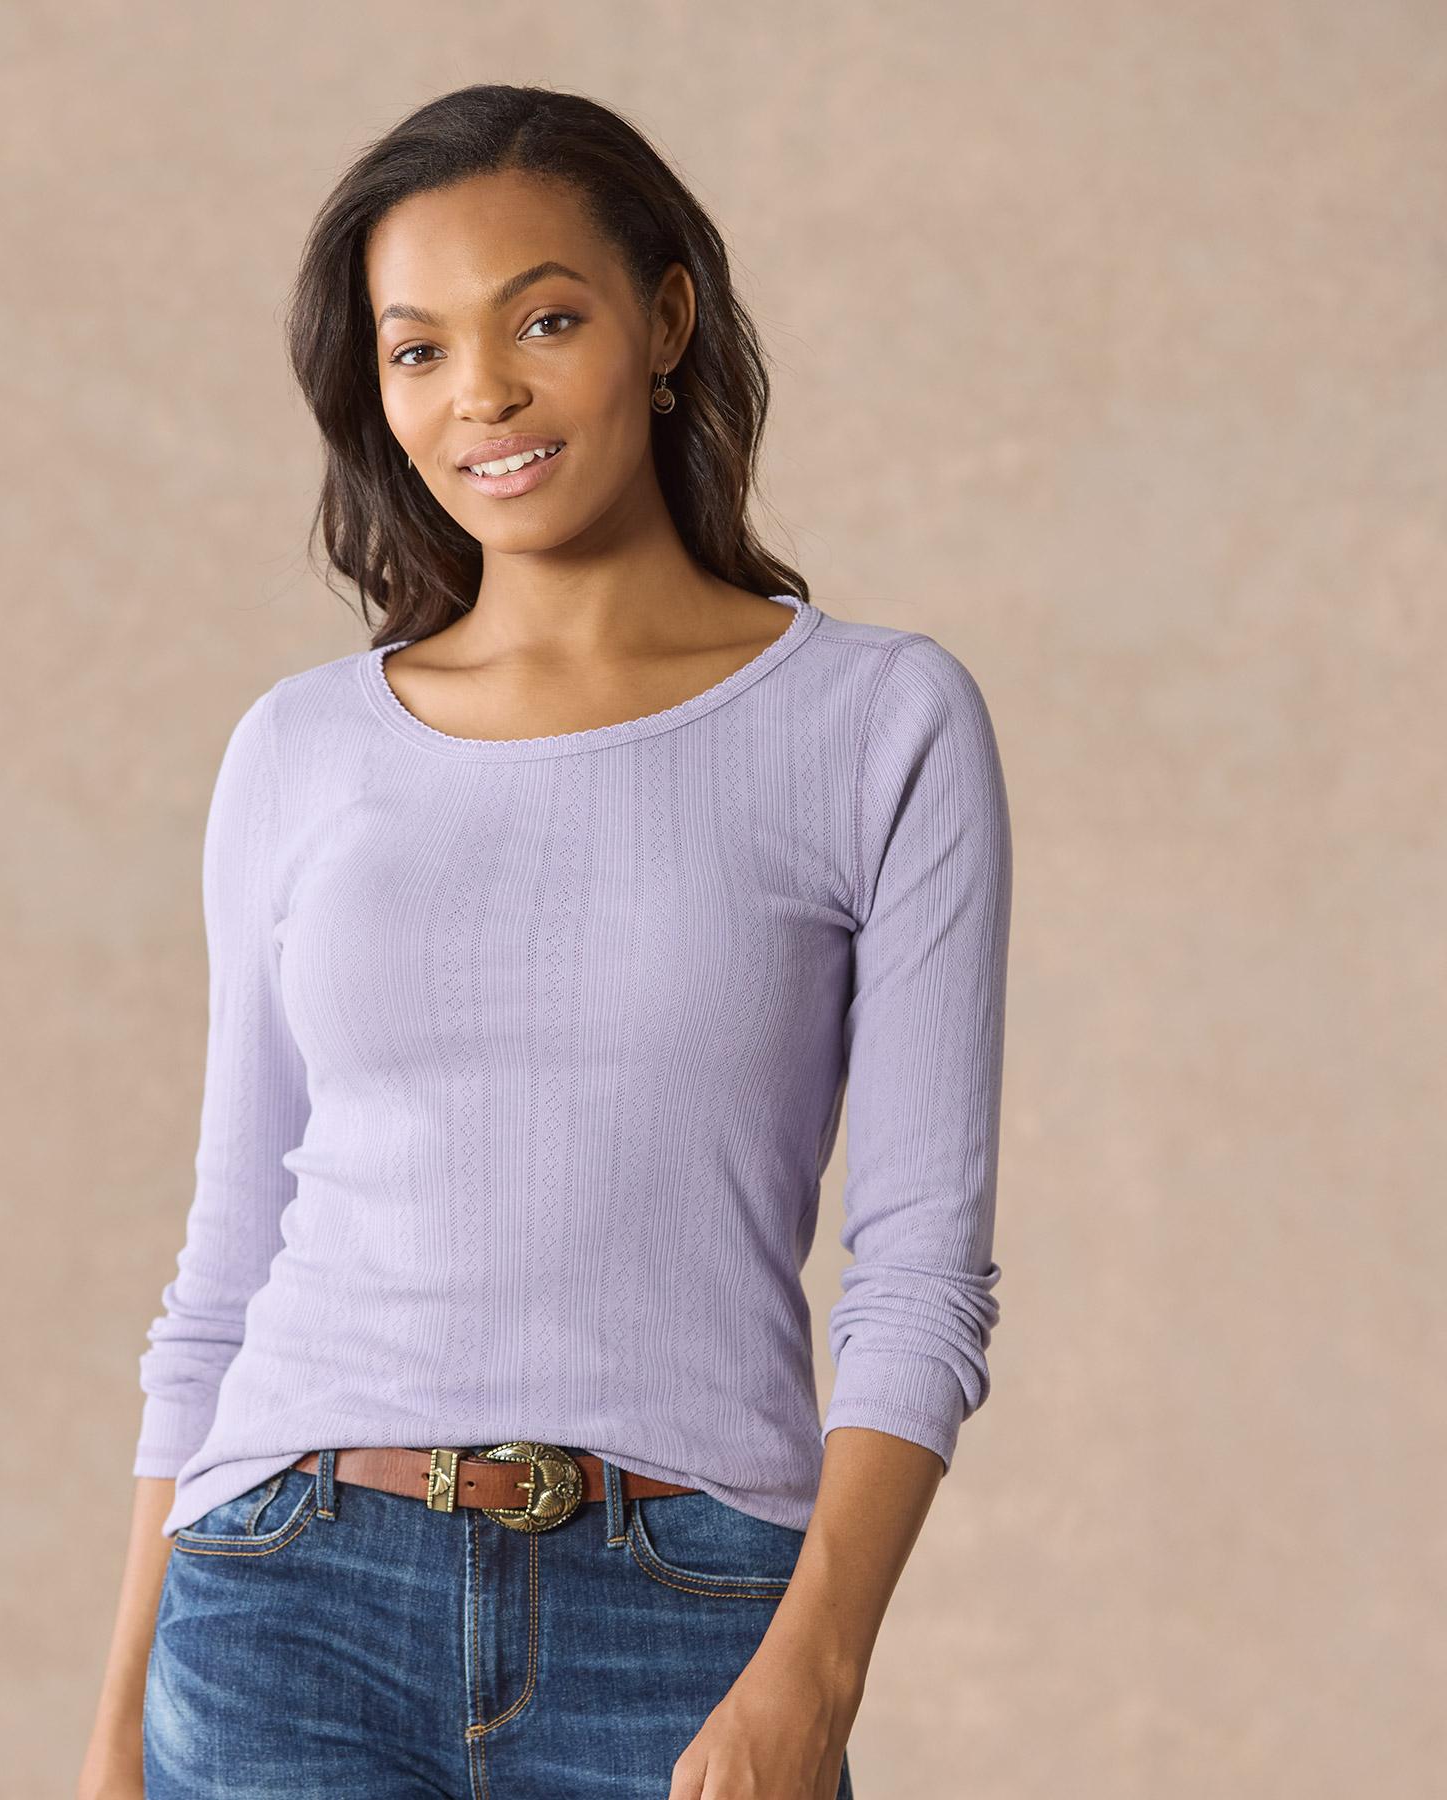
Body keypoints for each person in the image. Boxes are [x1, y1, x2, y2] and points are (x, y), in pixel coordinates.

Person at [79, 81, 1012, 1800]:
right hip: (285, 1601)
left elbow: (921, 1276)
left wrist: (813, 1676)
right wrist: (116, 1729)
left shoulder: (879, 722)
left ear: (666, 321)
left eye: (545, 321)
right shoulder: (300, 748)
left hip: (692, 1605)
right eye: (416, 349)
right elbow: (227, 1259)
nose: (482, 395)